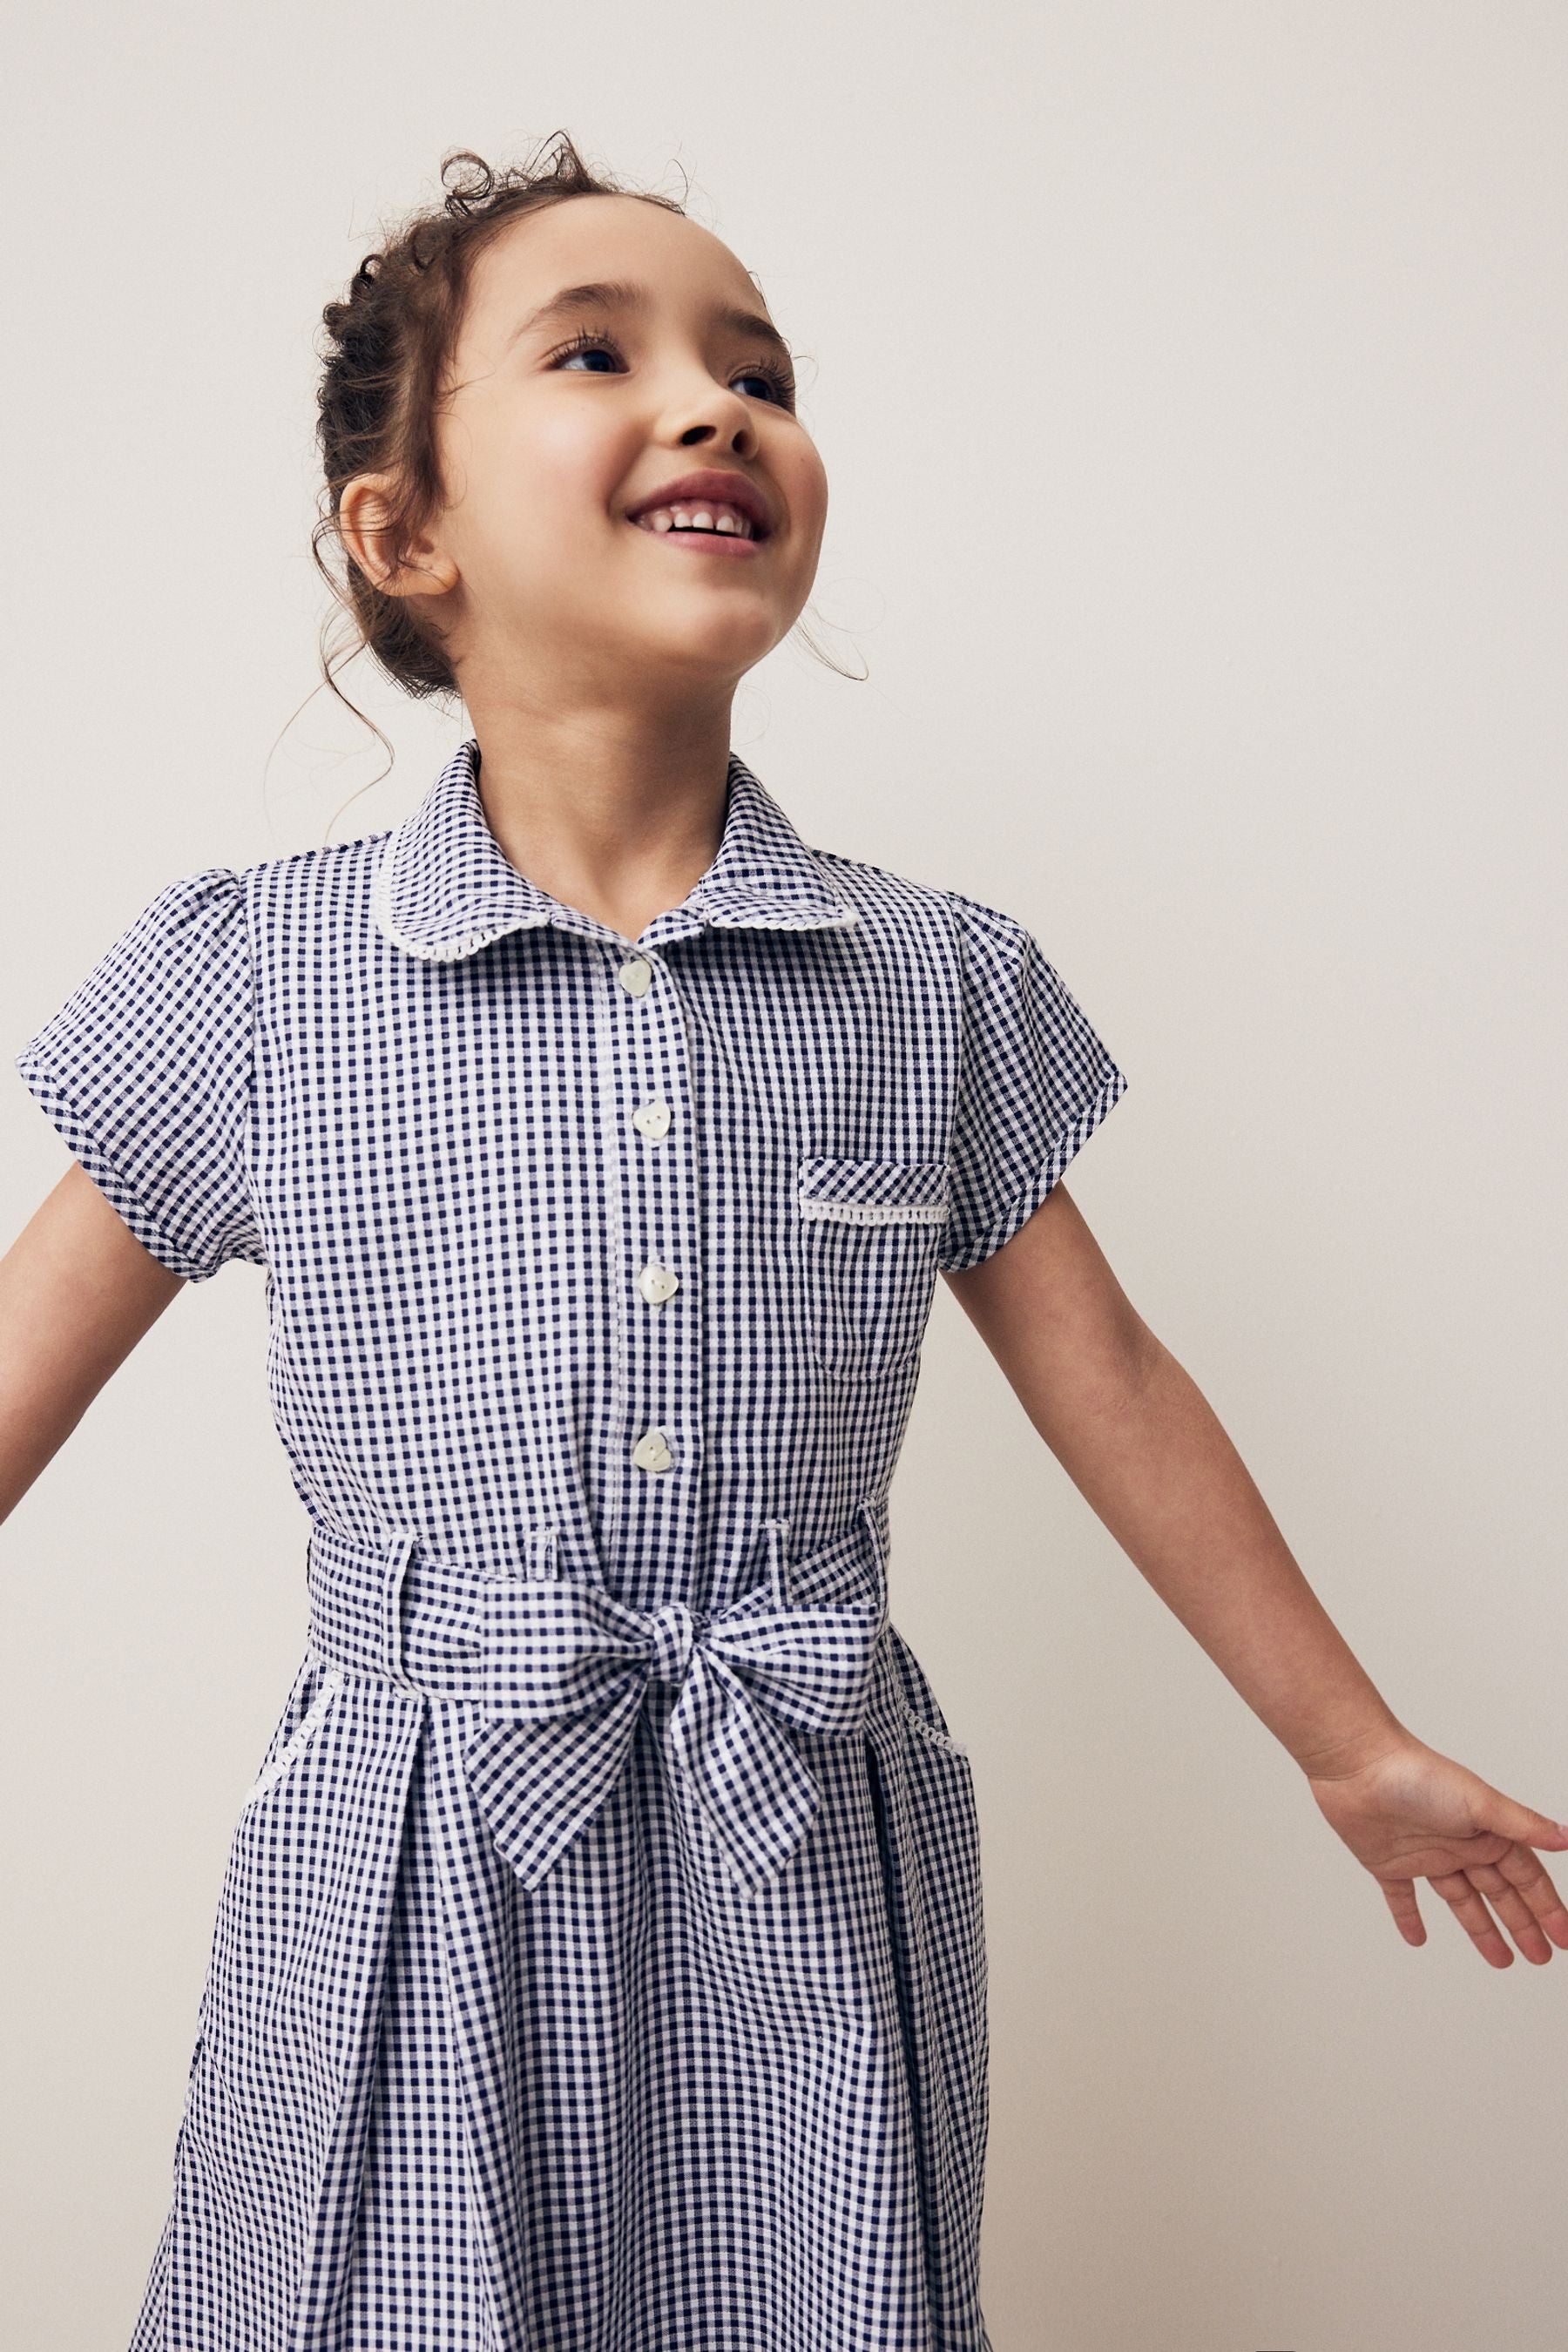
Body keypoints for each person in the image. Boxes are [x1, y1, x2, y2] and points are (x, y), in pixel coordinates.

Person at [3, 134, 1565, 2352]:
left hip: (804, 1845)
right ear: (408, 531)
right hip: (415, 1862)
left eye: (761, 367)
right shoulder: (258, 979)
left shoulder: (937, 985)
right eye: (595, 351)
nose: (716, 404)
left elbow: (1107, 1375)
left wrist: (1346, 1738)